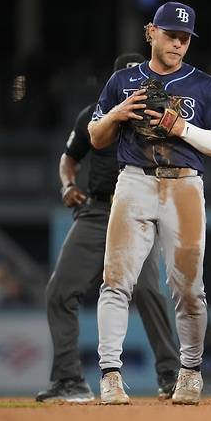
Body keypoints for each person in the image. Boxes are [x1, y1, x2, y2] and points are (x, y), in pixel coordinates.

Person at [88, 1, 211, 405]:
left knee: (189, 290)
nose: (178, 43)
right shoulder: (122, 80)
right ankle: (110, 375)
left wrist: (182, 127)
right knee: (116, 281)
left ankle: (189, 372)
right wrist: (116, 114)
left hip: (184, 186)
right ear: (151, 32)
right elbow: (96, 137)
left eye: (185, 38)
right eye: (171, 35)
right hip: (134, 181)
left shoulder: (205, 85)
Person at [36, 54, 181, 403]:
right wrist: (67, 185)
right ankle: (69, 380)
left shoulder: (158, 118)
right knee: (59, 291)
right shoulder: (94, 115)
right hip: (98, 211)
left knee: (148, 292)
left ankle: (171, 376)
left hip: (138, 213)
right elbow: (69, 158)